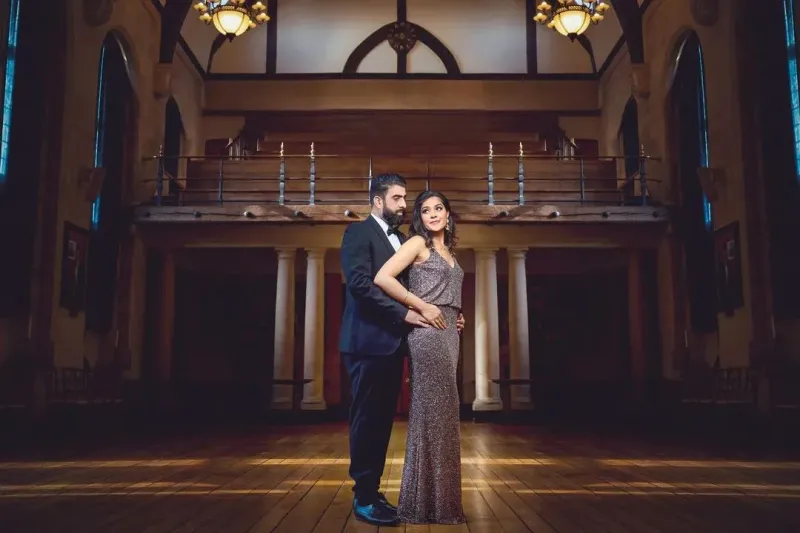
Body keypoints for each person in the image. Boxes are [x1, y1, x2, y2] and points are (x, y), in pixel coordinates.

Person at [339, 173, 429, 526]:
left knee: (380, 422)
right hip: (366, 343)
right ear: (378, 201)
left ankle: (372, 492)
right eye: (397, 198)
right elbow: (360, 285)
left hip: (392, 345)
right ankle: (363, 497)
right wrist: (405, 313)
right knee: (366, 420)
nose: (404, 205)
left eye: (405, 198)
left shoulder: (403, 239)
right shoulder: (358, 233)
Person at [374, 190, 466, 524]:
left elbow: (448, 294)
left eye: (438, 208)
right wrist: (421, 306)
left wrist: (458, 313)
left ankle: (436, 502)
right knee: (432, 413)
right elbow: (382, 278)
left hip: (449, 333)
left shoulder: (449, 250)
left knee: (443, 415)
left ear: (447, 212)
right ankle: (425, 503)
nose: (433, 214)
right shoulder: (417, 244)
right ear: (419, 217)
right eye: (425, 210)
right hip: (426, 335)